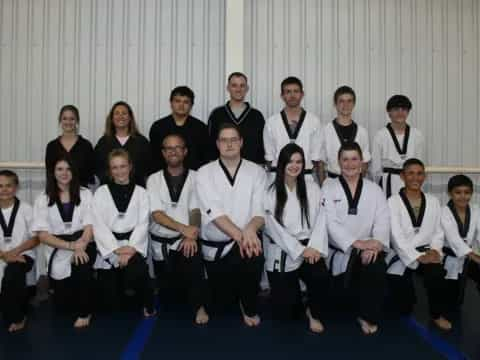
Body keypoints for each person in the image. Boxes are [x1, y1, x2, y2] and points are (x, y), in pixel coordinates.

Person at [196, 123, 265, 327]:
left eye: (234, 139)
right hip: (218, 243)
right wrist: (241, 235)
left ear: (241, 142)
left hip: (246, 239)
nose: (229, 144)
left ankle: (248, 305)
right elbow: (214, 212)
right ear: (217, 144)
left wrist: (251, 230)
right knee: (220, 303)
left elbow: (260, 210)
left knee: (254, 256)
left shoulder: (257, 171)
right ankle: (211, 299)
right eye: (224, 140)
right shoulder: (204, 172)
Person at [322, 142, 389, 335]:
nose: (350, 164)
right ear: (338, 162)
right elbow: (329, 222)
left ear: (362, 162)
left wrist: (375, 244)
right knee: (338, 301)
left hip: (368, 249)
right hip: (340, 249)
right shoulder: (329, 187)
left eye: (354, 159)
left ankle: (367, 316)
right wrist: (356, 243)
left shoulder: (374, 189)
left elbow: (383, 220)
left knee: (376, 265)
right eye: (345, 159)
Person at [263, 143, 329, 333]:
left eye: (299, 161)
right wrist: (300, 250)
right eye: (290, 161)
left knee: (321, 277)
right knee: (286, 314)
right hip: (283, 249)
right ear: (282, 163)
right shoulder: (270, 191)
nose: (295, 165)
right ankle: (296, 302)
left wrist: (314, 247)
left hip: (311, 247)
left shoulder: (312, 188)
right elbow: (272, 227)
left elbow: (321, 219)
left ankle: (313, 312)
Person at [147, 133, 209, 324]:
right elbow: (156, 214)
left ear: (185, 151)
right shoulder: (153, 179)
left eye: (177, 148)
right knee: (169, 299)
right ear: (163, 153)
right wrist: (183, 228)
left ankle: (200, 307)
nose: (173, 151)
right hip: (162, 244)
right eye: (169, 148)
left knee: (194, 264)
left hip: (185, 241)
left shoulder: (196, 177)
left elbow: (196, 210)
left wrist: (191, 235)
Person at [386, 158, 451, 330]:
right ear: (402, 176)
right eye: (410, 173)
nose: (416, 177)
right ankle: (406, 294)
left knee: (436, 273)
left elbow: (438, 231)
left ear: (425, 176)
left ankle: (436, 314)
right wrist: (416, 256)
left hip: (427, 251)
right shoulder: (392, 202)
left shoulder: (433, 201)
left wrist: (436, 251)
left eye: (420, 173)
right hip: (401, 254)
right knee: (404, 308)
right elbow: (395, 236)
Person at [33, 155, 96, 328]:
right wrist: (71, 246)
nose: (64, 173)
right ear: (52, 173)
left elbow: (90, 225)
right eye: (59, 169)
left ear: (74, 172)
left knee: (81, 262)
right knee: (63, 306)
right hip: (58, 247)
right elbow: (43, 236)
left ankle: (85, 312)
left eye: (68, 169)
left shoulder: (85, 193)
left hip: (83, 242)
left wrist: (81, 244)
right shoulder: (43, 199)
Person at [92, 149, 155, 317]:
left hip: (132, 247)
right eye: (115, 167)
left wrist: (130, 249)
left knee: (137, 276)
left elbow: (143, 223)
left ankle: (147, 304)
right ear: (110, 170)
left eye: (123, 166)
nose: (119, 171)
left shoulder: (141, 192)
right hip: (110, 249)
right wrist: (115, 250)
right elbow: (98, 225)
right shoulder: (101, 192)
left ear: (130, 167)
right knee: (111, 305)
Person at [263, 76, 323, 183]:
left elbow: (315, 157)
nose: (292, 95)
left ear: (302, 94)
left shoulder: (314, 121)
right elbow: (269, 157)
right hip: (278, 177)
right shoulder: (271, 122)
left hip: (306, 177)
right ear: (282, 95)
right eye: (288, 92)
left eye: (296, 91)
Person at [0, 170, 38, 332]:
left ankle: (18, 318)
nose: (4, 189)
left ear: (16, 187)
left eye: (9, 185)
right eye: (0, 186)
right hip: (2, 255)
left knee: (12, 275)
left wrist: (15, 252)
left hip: (23, 255)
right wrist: (4, 255)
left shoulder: (26, 209)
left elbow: (36, 238)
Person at [371, 95, 425, 198]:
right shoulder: (381, 135)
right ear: (389, 112)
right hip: (388, 182)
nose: (400, 113)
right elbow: (375, 168)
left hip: (411, 180)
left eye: (404, 109)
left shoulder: (417, 135)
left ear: (408, 112)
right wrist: (379, 186)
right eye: (396, 109)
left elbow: (420, 164)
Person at [441, 175, 480, 316]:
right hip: (448, 258)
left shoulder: (476, 210)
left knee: (457, 303)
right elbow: (454, 240)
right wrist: (475, 257)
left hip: (467, 258)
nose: (463, 197)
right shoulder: (443, 212)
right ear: (450, 193)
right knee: (451, 303)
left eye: (467, 192)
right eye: (458, 192)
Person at [149, 86, 212, 171]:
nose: (181, 105)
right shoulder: (158, 127)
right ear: (171, 103)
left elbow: (205, 158)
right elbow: (153, 157)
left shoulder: (201, 128)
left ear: (191, 105)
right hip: (163, 176)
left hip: (194, 176)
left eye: (186, 102)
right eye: (177, 101)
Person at [208, 72, 265, 164]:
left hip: (251, 170)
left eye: (242, 86)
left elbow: (261, 146)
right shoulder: (217, 114)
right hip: (222, 168)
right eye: (234, 85)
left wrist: (261, 165)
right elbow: (210, 145)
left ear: (247, 88)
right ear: (228, 88)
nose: (238, 89)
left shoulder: (257, 116)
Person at [319, 86, 370, 182]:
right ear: (335, 104)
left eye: (349, 101)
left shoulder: (362, 131)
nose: (345, 105)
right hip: (333, 180)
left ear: (354, 104)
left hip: (356, 181)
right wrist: (323, 184)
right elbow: (321, 162)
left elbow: (365, 162)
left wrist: (359, 183)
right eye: (341, 101)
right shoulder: (325, 130)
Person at [94, 101, 152, 187]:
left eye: (124, 113)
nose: (120, 116)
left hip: (136, 191)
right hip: (109, 191)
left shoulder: (142, 142)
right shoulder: (103, 142)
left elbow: (148, 169)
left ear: (130, 118)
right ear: (112, 118)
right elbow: (98, 168)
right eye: (117, 113)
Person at [45, 105, 95, 187]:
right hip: (58, 193)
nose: (68, 122)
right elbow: (50, 175)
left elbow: (90, 176)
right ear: (60, 121)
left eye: (72, 119)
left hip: (81, 194)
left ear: (77, 121)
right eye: (65, 118)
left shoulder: (86, 146)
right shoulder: (52, 147)